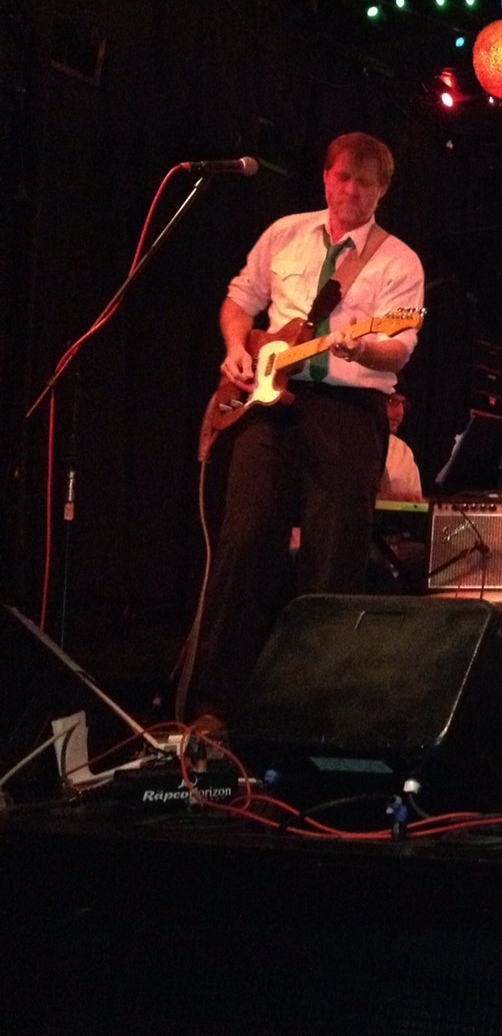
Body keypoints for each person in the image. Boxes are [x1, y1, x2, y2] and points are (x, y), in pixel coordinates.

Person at [186, 132, 425, 732]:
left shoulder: (399, 262)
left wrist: (366, 347)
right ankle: (216, 705)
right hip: (269, 403)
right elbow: (240, 299)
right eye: (343, 177)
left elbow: (398, 351)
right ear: (326, 176)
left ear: (383, 190)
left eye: (365, 183)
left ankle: (313, 711)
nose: (351, 190)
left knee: (333, 558)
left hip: (349, 411)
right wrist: (237, 347)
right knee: (243, 542)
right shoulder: (285, 232)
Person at [377, 390, 424, 503]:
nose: (400, 412)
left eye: (403, 404)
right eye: (391, 400)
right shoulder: (348, 442)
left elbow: (415, 507)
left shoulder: (402, 451)